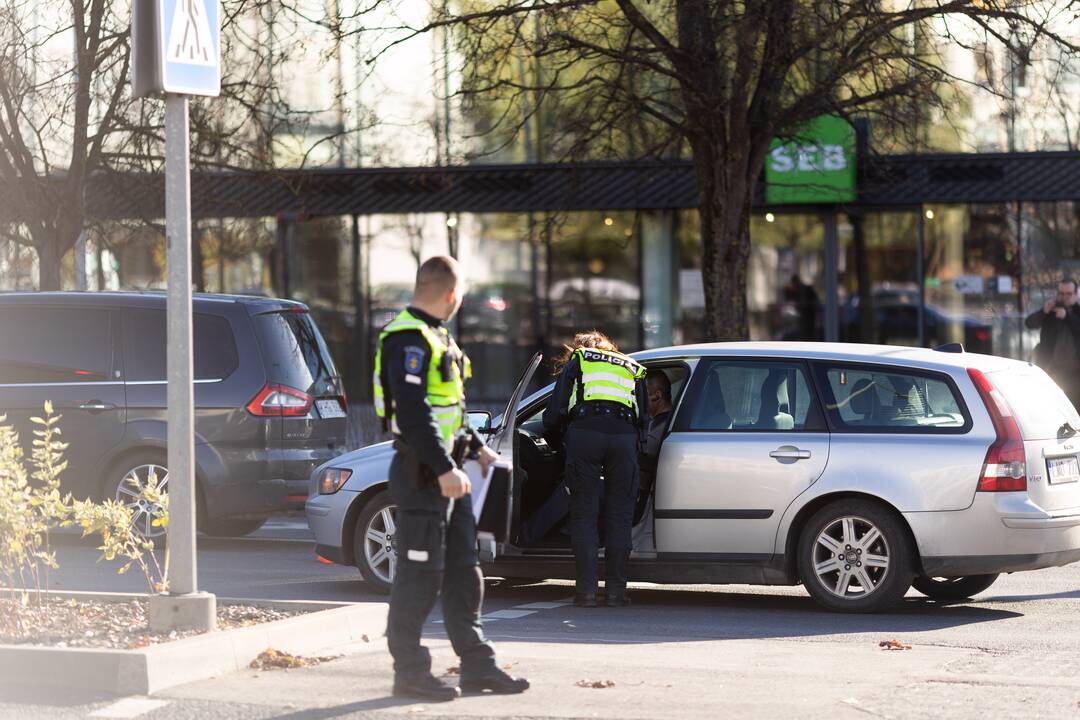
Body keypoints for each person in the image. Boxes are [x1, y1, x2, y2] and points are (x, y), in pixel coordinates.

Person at [375, 256, 529, 702]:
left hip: (450, 475)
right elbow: (412, 412)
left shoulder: (438, 335)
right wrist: (444, 468)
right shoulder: (406, 336)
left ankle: (478, 666)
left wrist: (475, 446)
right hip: (422, 475)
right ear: (451, 294)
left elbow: (449, 411)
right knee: (418, 578)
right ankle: (409, 671)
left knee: (466, 572)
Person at [542, 330, 648, 608]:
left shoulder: (580, 359)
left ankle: (586, 592)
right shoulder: (631, 366)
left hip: (586, 435)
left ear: (579, 347)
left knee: (584, 513)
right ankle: (616, 592)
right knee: (619, 516)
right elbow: (643, 417)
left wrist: (557, 433)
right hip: (624, 439)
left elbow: (554, 413)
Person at [1026, 278, 1080, 409]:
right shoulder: (1050, 310)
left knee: (1074, 409)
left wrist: (1067, 316)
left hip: (1075, 373)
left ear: (1076, 294)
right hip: (1051, 370)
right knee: (1050, 408)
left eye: (1069, 294)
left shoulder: (1077, 312)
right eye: (1061, 293)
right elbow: (1030, 323)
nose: (1065, 297)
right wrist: (1043, 311)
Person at [635, 369, 674, 527]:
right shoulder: (666, 423)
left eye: (641, 396)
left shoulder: (657, 430)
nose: (637, 401)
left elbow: (644, 463)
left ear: (656, 395)